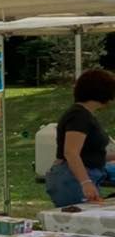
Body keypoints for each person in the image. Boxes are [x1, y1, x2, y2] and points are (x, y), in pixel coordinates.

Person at [44, 68, 115, 206]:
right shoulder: (79, 116)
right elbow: (71, 152)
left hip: (79, 176)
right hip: (72, 179)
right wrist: (85, 182)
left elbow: (87, 154)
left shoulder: (84, 114)